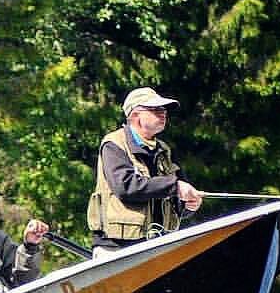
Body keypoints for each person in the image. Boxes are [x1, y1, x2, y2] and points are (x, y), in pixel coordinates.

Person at [87, 86, 203, 258]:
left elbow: (177, 199)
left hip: (158, 247)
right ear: (135, 115)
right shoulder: (113, 144)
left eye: (163, 109)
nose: (163, 113)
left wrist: (189, 205)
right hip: (116, 248)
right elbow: (126, 187)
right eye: (155, 109)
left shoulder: (165, 151)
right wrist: (175, 186)